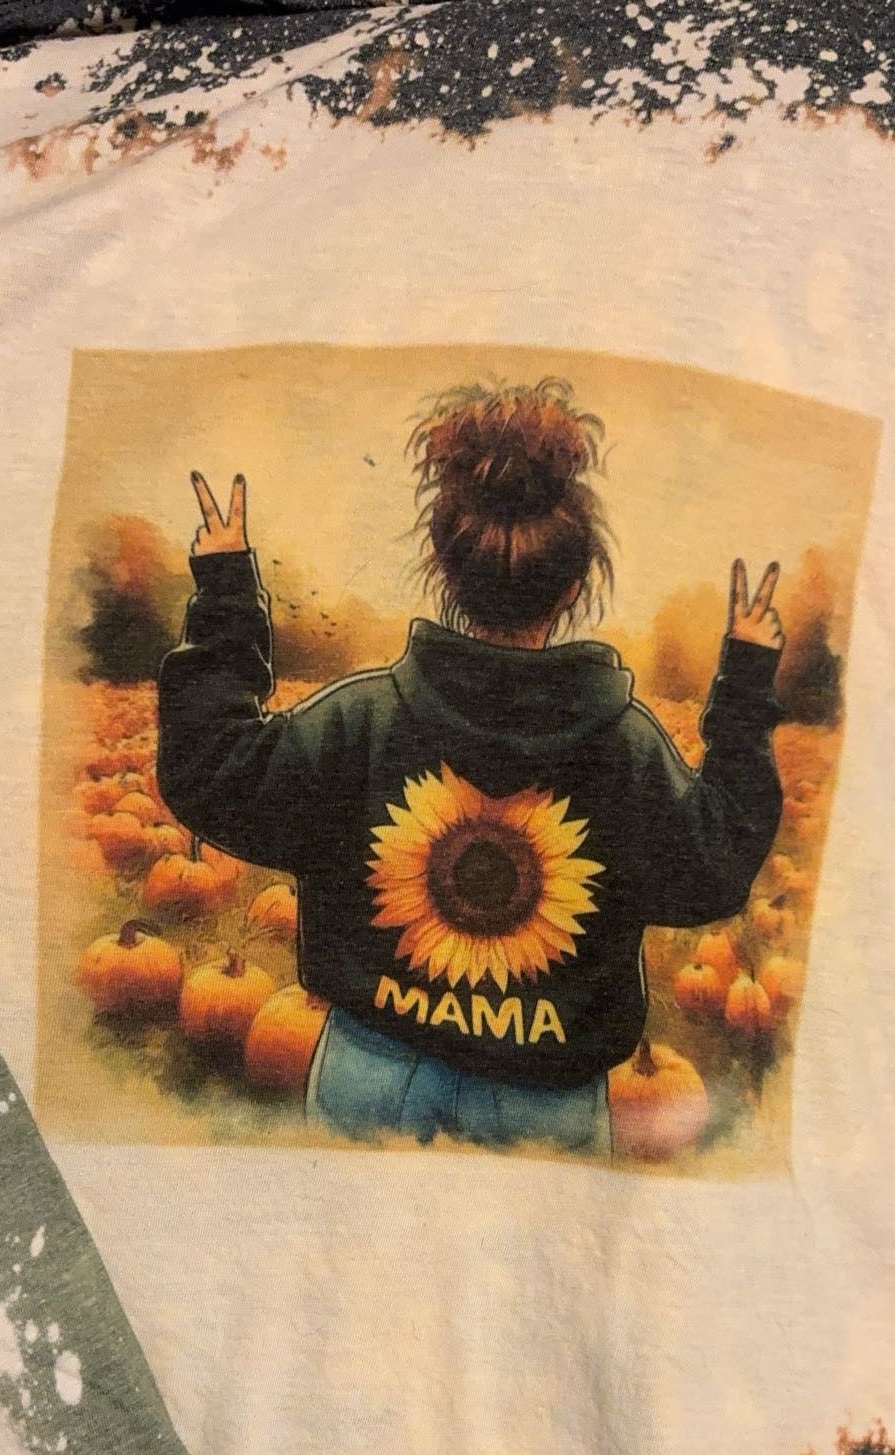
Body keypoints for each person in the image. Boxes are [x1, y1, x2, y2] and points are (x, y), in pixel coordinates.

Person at [156, 378, 784, 1155]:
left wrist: (225, 592)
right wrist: (746, 683)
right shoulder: (624, 750)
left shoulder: (361, 720)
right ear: (574, 587)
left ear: (444, 566)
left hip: (369, 1072)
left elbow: (213, 772)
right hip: (549, 1098)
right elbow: (711, 867)